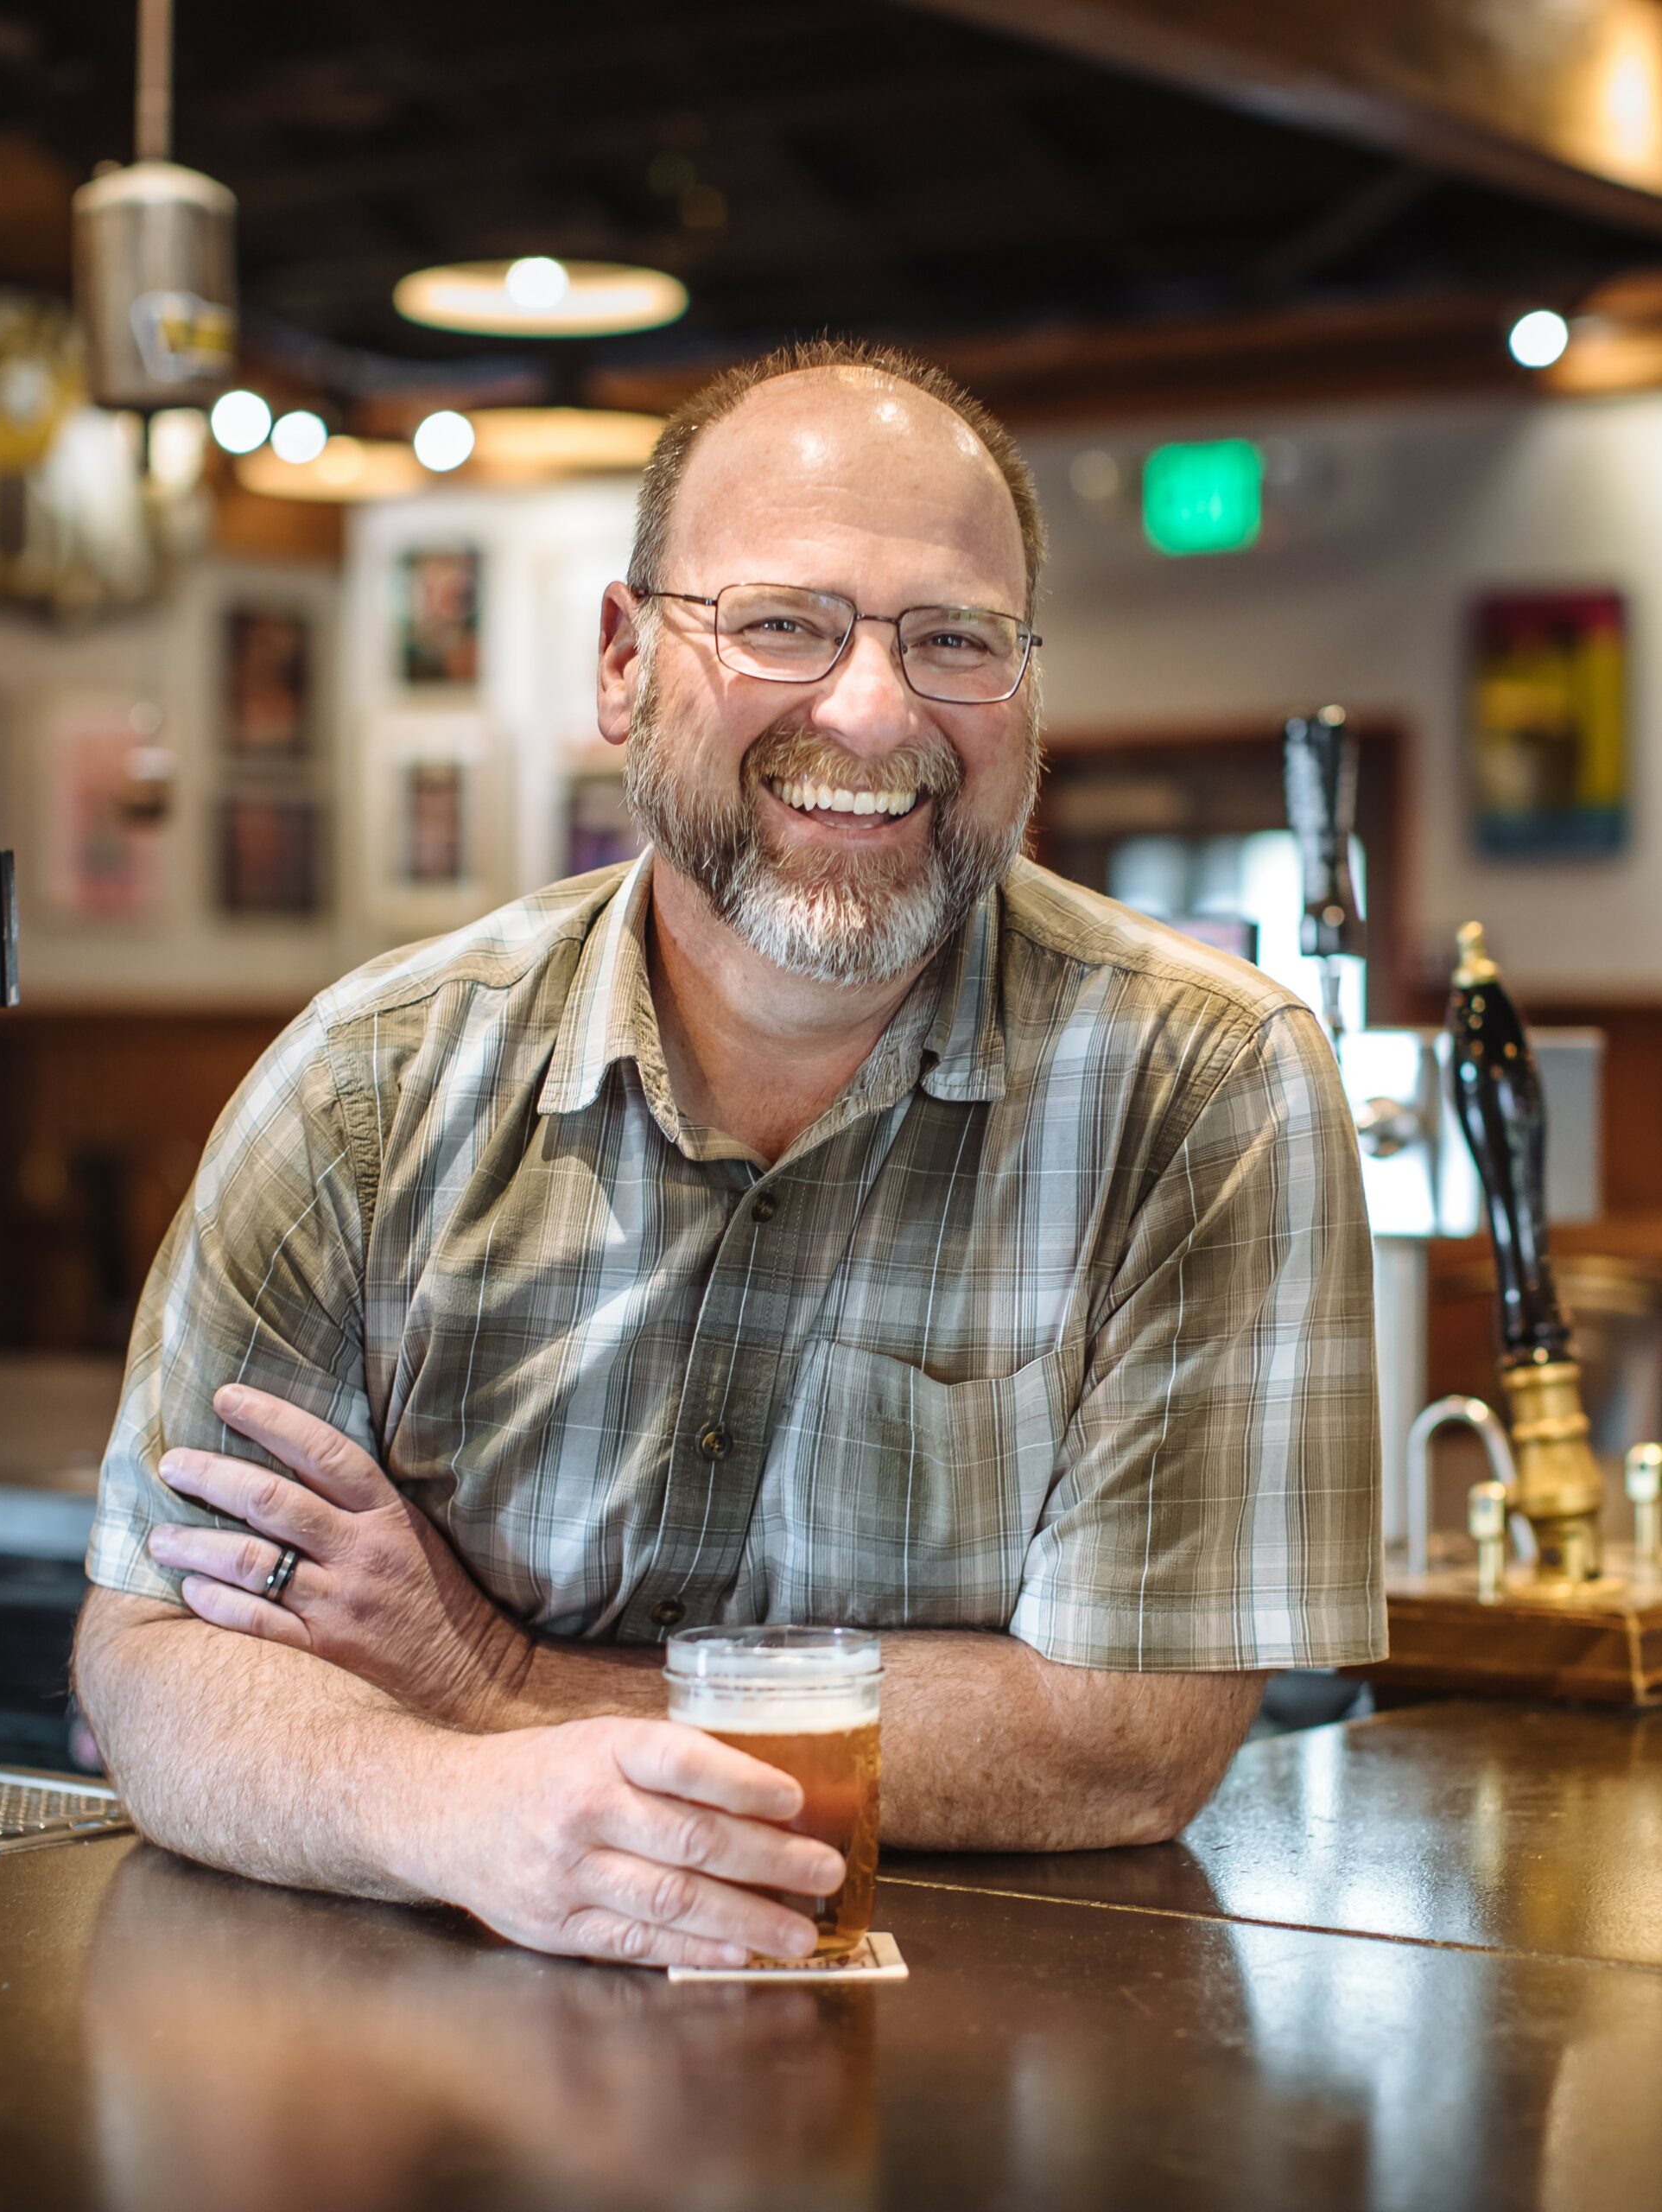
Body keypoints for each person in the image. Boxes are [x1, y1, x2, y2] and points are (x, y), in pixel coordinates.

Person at [73, 339, 1381, 1969]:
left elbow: (1129, 1742)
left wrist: (496, 1684)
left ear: (1027, 686)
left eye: (954, 640)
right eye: (783, 622)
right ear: (624, 661)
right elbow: (156, 1656)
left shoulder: (1207, 1086)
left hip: (996, 2081)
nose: (873, 708)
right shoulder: (365, 1086)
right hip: (428, 2089)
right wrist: (449, 1809)